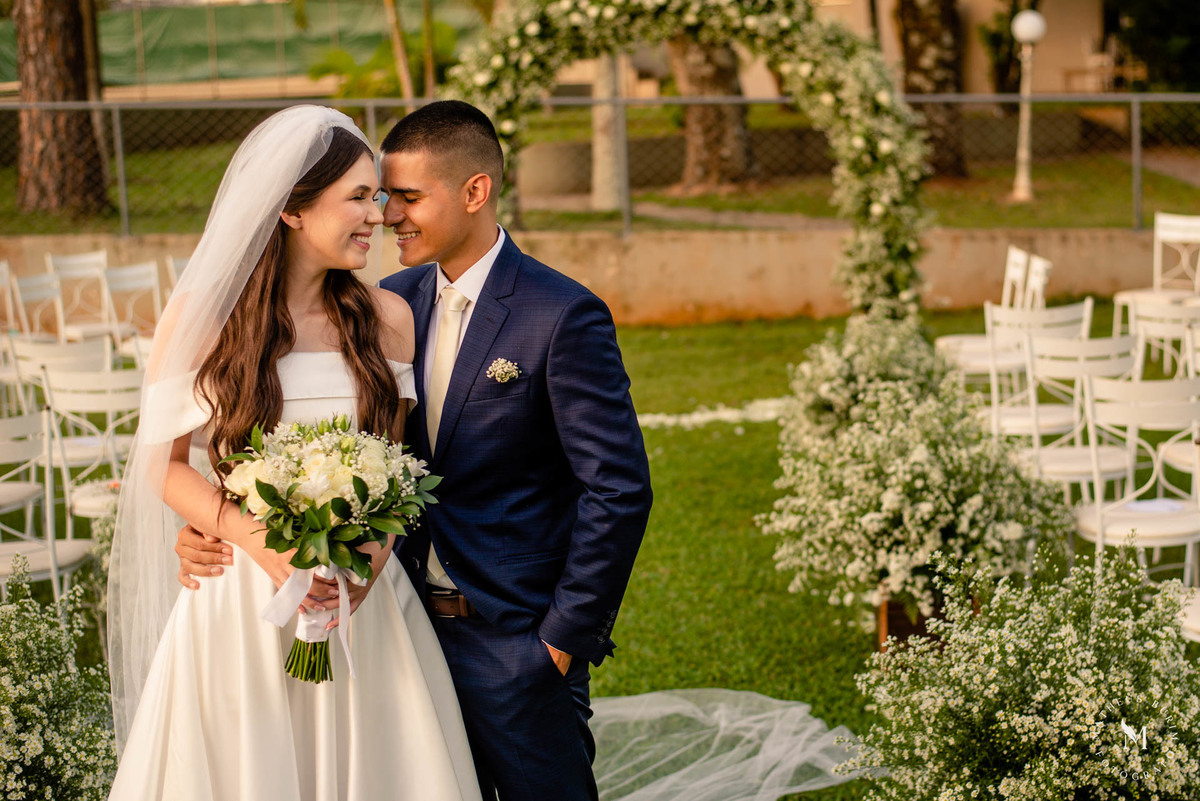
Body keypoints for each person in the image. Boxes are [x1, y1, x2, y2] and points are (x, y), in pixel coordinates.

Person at [179, 100, 655, 800]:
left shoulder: (559, 314)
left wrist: (558, 641)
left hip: (510, 641)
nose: (387, 214)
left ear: (475, 191)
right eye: (378, 195)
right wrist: (216, 523)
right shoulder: (382, 307)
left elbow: (618, 488)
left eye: (406, 196)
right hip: (388, 630)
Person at [107, 105, 481, 801]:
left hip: (363, 602)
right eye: (358, 197)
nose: (377, 214)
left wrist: (368, 563)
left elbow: (396, 469)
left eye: (377, 195)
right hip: (242, 601)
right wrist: (257, 540)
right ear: (292, 211)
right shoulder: (201, 317)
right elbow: (163, 463)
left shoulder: (386, 318)